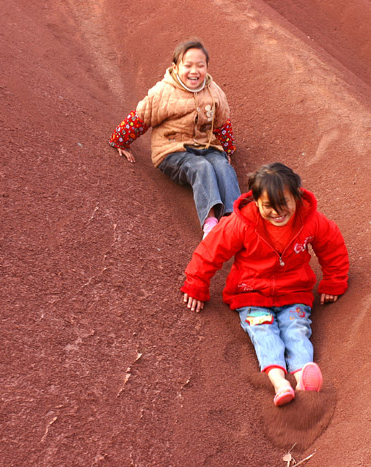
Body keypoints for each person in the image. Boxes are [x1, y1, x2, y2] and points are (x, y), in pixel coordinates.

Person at [180, 162, 349, 406]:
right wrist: (197, 285)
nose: (278, 213)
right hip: (252, 294)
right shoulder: (242, 223)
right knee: (264, 332)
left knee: (297, 329)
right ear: (256, 202)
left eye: (285, 205)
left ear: (297, 197)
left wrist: (334, 282)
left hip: (293, 292)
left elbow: (332, 246)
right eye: (269, 206)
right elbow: (211, 251)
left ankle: (303, 375)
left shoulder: (309, 219)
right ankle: (279, 382)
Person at [109, 39, 241, 239]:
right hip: (172, 151)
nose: (194, 71)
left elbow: (222, 123)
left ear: (207, 67)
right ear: (175, 67)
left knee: (222, 166)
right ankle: (211, 224)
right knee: (201, 167)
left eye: (200, 65)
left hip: (206, 145)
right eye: (187, 65)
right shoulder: (163, 92)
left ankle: (235, 219)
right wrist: (120, 141)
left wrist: (227, 150)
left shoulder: (214, 91)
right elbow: (141, 118)